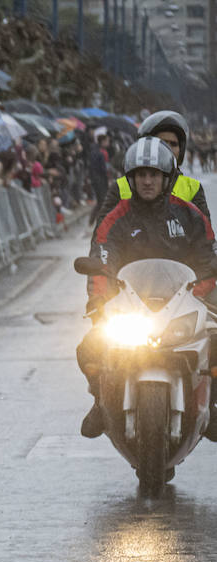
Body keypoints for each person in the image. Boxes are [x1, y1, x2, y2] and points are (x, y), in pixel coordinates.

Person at [78, 136, 217, 439]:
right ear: (132, 178)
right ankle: (100, 401)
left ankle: (213, 404)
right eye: (141, 175)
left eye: (154, 174)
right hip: (131, 304)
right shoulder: (116, 219)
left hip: (182, 301)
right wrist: (99, 299)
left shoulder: (189, 215)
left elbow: (208, 257)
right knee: (90, 346)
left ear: (166, 178)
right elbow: (102, 259)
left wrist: (201, 295)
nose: (147, 181)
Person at [92, 111, 209, 226]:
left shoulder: (192, 188)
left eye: (173, 144)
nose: (167, 149)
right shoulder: (120, 187)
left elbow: (204, 236)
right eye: (161, 142)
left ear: (181, 149)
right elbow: (102, 233)